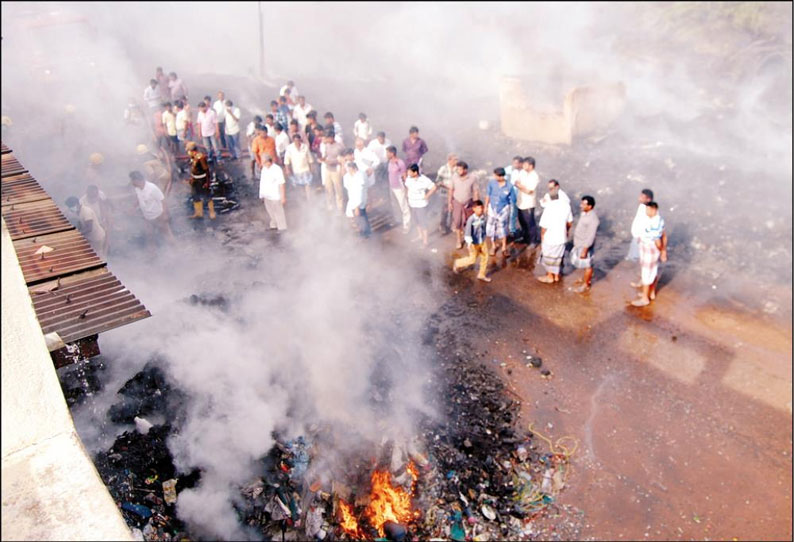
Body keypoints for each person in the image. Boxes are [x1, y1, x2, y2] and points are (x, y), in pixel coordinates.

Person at [632, 201, 667, 307]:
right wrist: (663, 250)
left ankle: (644, 298)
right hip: (646, 246)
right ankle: (650, 293)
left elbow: (658, 240)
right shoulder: (658, 219)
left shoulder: (654, 223)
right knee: (653, 270)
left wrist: (662, 251)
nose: (646, 211)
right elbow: (664, 235)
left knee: (646, 273)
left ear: (653, 210)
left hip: (650, 248)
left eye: (647, 209)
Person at [537, 181, 573, 283]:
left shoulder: (549, 208)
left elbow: (544, 227)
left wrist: (542, 237)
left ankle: (550, 277)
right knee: (558, 257)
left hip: (550, 238)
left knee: (549, 258)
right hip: (561, 237)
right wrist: (566, 231)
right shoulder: (566, 206)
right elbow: (570, 222)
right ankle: (556, 276)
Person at [129, 170, 174, 242]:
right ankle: (152, 252)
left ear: (137, 180)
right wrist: (133, 207)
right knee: (150, 237)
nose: (131, 182)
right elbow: (139, 198)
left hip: (158, 216)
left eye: (132, 180)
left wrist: (164, 215)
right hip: (147, 218)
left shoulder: (152, 188)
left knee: (167, 234)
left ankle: (176, 249)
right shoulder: (137, 188)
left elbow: (163, 201)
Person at [453, 200, 490, 282]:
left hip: (482, 241)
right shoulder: (471, 220)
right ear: (474, 209)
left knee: (485, 257)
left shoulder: (483, 217)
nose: (481, 209)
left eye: (482, 207)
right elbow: (467, 233)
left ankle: (481, 274)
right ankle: (458, 263)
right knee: (472, 259)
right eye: (479, 208)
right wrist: (469, 244)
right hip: (474, 243)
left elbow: (484, 228)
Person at [570, 195, 600, 293]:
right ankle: (585, 279)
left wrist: (585, 250)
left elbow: (591, 236)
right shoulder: (584, 213)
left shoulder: (593, 219)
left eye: (584, 204)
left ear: (590, 206)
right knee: (584, 265)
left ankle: (586, 284)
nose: (581, 205)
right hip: (579, 244)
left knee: (588, 266)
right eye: (581, 203)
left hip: (584, 245)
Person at [448, 160, 479, 249]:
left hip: (468, 202)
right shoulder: (454, 177)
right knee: (457, 222)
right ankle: (458, 240)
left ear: (465, 170)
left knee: (469, 222)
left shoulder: (472, 178)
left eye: (460, 170)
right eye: (457, 169)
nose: (458, 171)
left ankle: (469, 240)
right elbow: (451, 190)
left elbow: (475, 191)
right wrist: (450, 202)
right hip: (457, 202)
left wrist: (476, 205)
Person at [404, 163, 437, 247]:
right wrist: (407, 197)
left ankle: (425, 242)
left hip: (421, 204)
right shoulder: (409, 178)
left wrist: (427, 196)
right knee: (416, 221)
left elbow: (433, 187)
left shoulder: (424, 180)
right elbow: (407, 187)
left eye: (409, 172)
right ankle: (420, 236)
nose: (408, 173)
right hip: (412, 203)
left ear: (415, 173)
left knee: (423, 223)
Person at [484, 167, 515, 256]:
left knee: (503, 228)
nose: (494, 177)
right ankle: (493, 246)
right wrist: (486, 207)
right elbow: (488, 195)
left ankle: (504, 247)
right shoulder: (492, 183)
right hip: (492, 208)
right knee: (491, 228)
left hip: (503, 209)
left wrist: (510, 212)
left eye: (495, 175)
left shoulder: (509, 186)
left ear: (501, 177)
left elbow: (512, 200)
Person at [185, 141, 215, 220]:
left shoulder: (201, 157)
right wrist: (191, 178)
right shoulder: (192, 157)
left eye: (188, 150)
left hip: (202, 180)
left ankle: (212, 213)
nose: (188, 152)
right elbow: (193, 169)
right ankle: (198, 213)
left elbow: (207, 170)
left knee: (207, 195)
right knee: (195, 195)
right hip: (195, 180)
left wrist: (207, 182)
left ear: (192, 150)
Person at [514, 156, 540, 245]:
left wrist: (520, 186)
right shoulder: (522, 172)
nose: (523, 166)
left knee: (530, 223)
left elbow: (529, 191)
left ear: (531, 166)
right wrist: (522, 187)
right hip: (520, 201)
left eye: (525, 164)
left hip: (528, 203)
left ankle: (533, 241)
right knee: (522, 221)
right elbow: (516, 182)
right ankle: (525, 238)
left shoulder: (534, 176)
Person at [259, 154, 287, 231]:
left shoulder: (277, 170)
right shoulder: (264, 169)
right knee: (270, 211)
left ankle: (282, 228)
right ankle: (274, 225)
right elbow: (262, 182)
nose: (262, 164)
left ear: (269, 162)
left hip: (275, 195)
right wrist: (261, 195)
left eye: (264, 162)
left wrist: (283, 197)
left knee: (278, 212)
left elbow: (282, 183)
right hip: (266, 195)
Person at [319, 131, 346, 212]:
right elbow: (326, 155)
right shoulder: (327, 145)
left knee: (338, 189)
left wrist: (335, 162)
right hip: (328, 169)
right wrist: (322, 159)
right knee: (328, 189)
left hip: (336, 170)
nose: (326, 140)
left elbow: (344, 158)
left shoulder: (339, 146)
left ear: (332, 137)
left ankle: (340, 208)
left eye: (328, 138)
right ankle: (330, 207)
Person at [343, 161, 371, 238]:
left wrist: (357, 206)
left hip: (359, 201)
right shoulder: (347, 176)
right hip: (352, 200)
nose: (347, 170)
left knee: (361, 217)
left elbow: (360, 192)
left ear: (353, 168)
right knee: (358, 217)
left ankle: (365, 234)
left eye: (349, 169)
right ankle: (363, 231)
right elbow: (347, 187)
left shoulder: (360, 176)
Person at [386, 145, 410, 233]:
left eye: (387, 153)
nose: (386, 154)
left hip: (399, 188)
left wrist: (406, 189)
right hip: (392, 187)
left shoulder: (400, 163)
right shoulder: (390, 162)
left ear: (392, 153)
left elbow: (404, 176)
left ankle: (406, 225)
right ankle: (398, 220)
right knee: (395, 205)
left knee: (403, 206)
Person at [284, 134, 315, 201]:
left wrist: (312, 167)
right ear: (293, 141)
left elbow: (310, 158)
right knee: (299, 186)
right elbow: (287, 160)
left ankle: (309, 200)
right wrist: (287, 169)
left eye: (298, 140)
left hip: (306, 169)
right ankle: (302, 200)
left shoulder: (305, 147)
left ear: (300, 140)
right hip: (296, 171)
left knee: (308, 186)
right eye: (295, 141)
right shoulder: (289, 148)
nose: (297, 142)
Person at [627, 188, 654, 263]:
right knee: (632, 256)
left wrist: (641, 236)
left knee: (636, 258)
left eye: (642, 197)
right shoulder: (642, 206)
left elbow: (649, 225)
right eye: (640, 196)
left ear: (648, 199)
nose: (639, 198)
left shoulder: (650, 210)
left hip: (641, 238)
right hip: (636, 236)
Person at [436, 153, 458, 235]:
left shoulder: (457, 169)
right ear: (449, 160)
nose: (456, 161)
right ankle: (442, 226)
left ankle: (452, 224)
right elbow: (438, 181)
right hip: (444, 192)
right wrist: (447, 186)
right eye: (455, 159)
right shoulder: (443, 169)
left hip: (454, 192)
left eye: (456, 159)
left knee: (453, 209)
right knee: (444, 209)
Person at [505, 155, 523, 237]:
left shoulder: (524, 172)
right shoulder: (508, 169)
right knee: (512, 212)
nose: (514, 165)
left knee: (520, 212)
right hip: (511, 193)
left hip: (521, 193)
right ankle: (511, 230)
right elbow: (503, 178)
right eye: (513, 163)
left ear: (521, 164)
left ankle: (522, 228)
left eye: (516, 163)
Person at [246, 115, 264, 179]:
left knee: (259, 159)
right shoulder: (251, 127)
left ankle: (260, 172)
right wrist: (252, 148)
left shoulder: (261, 125)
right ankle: (252, 172)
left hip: (258, 145)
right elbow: (248, 138)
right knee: (253, 159)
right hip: (252, 146)